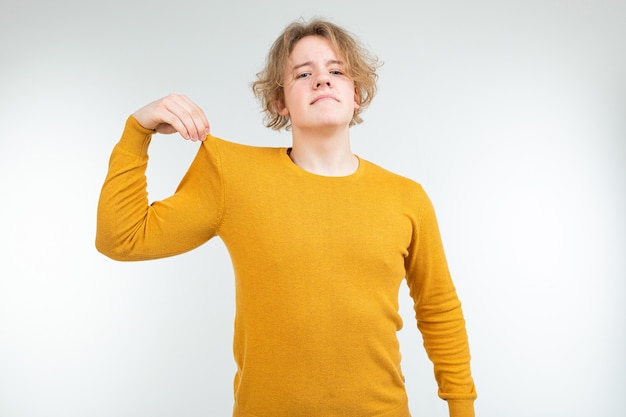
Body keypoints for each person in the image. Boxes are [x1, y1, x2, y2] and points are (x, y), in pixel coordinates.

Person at [96, 18, 477, 417]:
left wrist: (461, 407)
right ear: (280, 101)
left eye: (336, 71)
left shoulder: (407, 197)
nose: (322, 81)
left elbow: (437, 307)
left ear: (357, 93)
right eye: (303, 73)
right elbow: (121, 238)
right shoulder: (233, 175)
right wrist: (138, 129)